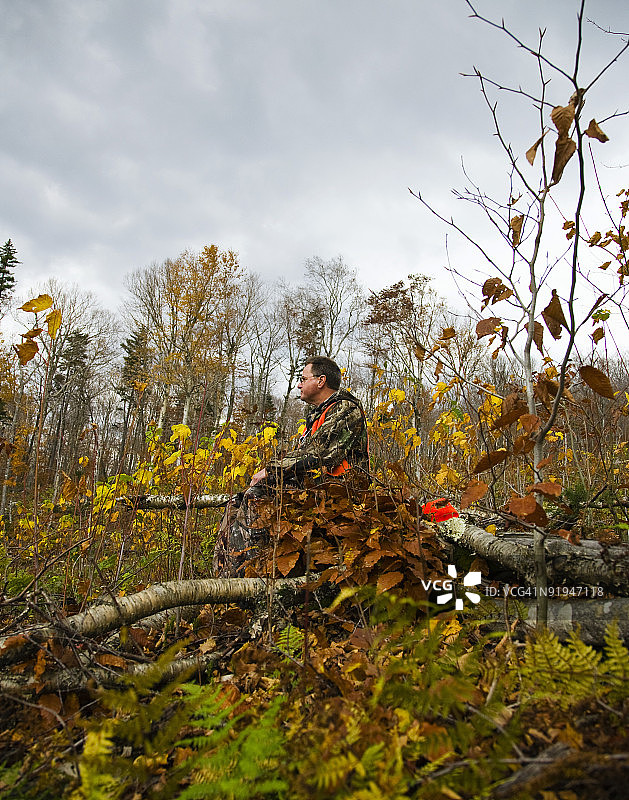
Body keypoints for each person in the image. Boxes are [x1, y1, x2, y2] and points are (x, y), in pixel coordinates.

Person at [212, 356, 369, 577]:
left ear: (321, 381)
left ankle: (251, 577)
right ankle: (222, 581)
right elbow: (303, 457)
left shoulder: (345, 409)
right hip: (314, 488)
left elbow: (320, 455)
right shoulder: (316, 415)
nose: (299, 385)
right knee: (236, 502)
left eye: (303, 379)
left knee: (257, 496)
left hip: (340, 491)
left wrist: (271, 471)